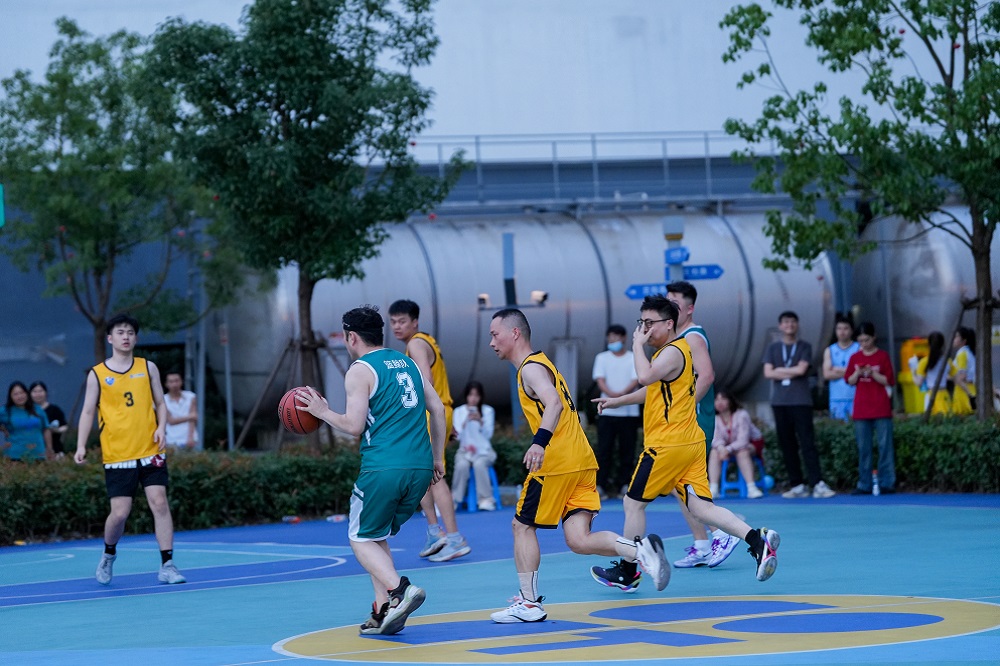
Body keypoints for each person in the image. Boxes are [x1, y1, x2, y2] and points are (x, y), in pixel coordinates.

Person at [488, 307, 669, 622]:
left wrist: (539, 442)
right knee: (578, 539)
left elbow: (554, 403)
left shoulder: (530, 368)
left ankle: (529, 604)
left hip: (556, 462)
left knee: (522, 526)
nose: (491, 342)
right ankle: (640, 552)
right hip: (582, 461)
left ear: (514, 333)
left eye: (495, 334)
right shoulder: (543, 363)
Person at [590, 295, 780, 592]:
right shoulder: (673, 353)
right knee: (701, 508)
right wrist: (618, 400)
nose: (644, 330)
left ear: (669, 323)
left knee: (632, 504)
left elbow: (644, 377)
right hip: (689, 442)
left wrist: (636, 345)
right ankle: (758, 541)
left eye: (649, 323)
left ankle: (628, 571)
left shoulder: (671, 352)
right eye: (641, 323)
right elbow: (652, 389)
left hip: (667, 445)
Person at [296, 305, 446, 636]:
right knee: (375, 535)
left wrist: (322, 411)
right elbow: (437, 410)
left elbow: (353, 425)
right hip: (420, 467)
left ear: (351, 337)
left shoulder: (360, 370)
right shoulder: (408, 362)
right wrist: (438, 459)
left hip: (384, 467)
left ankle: (401, 590)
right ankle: (383, 609)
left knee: (359, 538)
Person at [74, 314, 186, 586]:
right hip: (118, 454)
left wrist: (161, 427)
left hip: (150, 449)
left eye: (130, 333)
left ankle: (167, 564)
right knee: (120, 514)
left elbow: (161, 403)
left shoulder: (148, 368)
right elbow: (87, 411)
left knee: (159, 502)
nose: (125, 337)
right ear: (110, 338)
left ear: (135, 338)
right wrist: (80, 445)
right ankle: (109, 553)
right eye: (120, 332)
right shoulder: (97, 374)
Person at [388, 299, 470, 563]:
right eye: (393, 322)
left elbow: (426, 380)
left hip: (429, 411)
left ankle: (452, 537)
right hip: (439, 410)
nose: (397, 326)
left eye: (402, 321)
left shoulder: (415, 344)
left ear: (415, 322)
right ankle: (437, 532)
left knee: (434, 476)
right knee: (423, 474)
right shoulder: (428, 341)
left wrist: (419, 415)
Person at [665, 281, 738, 570]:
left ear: (690, 308)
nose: (670, 308)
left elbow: (706, 376)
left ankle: (720, 534)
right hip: (684, 421)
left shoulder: (693, 337)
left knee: (688, 484)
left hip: (695, 420)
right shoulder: (676, 337)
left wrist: (684, 406)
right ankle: (703, 543)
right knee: (678, 483)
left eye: (675, 303)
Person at [762, 311, 836, 499]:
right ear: (780, 326)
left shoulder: (805, 346)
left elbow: (802, 369)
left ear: (797, 325)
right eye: (786, 322)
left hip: (801, 401)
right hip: (780, 402)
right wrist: (791, 371)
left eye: (793, 322)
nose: (789, 325)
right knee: (787, 445)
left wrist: (780, 370)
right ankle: (797, 485)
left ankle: (817, 483)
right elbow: (768, 373)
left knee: (807, 443)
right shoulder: (773, 348)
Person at [845, 322, 896, 495]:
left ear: (874, 337)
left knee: (885, 446)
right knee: (863, 448)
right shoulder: (855, 357)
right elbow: (849, 380)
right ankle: (864, 483)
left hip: (881, 407)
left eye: (866, 340)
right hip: (861, 408)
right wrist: (858, 372)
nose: (864, 344)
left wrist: (873, 373)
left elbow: (888, 380)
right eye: (860, 341)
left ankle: (887, 482)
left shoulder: (882, 356)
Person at [591, 324, 640, 499]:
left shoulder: (633, 357)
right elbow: (600, 380)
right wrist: (612, 395)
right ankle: (601, 485)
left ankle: (624, 484)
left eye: (616, 337)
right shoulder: (602, 358)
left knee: (628, 450)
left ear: (624, 338)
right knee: (604, 450)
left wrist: (621, 396)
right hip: (606, 412)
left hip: (629, 412)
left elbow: (636, 379)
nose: (613, 341)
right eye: (610, 337)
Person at [450, 381, 498, 511]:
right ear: (466, 396)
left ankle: (486, 499)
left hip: (484, 451)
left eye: (477, 395)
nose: (473, 398)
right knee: (461, 465)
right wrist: (466, 421)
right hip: (465, 450)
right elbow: (457, 436)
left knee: (479, 464)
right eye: (470, 395)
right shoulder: (459, 411)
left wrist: (480, 421)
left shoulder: (488, 411)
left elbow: (488, 435)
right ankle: (454, 500)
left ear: (481, 396)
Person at [709, 389, 764, 500]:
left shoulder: (742, 415)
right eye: (717, 400)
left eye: (723, 399)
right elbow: (715, 439)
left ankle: (751, 488)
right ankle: (713, 488)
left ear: (730, 401)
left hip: (751, 443)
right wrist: (721, 448)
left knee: (742, 451)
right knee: (714, 452)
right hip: (727, 446)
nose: (719, 402)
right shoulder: (715, 418)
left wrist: (727, 449)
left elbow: (743, 440)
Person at [0, 381, 53, 461]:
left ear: (27, 393)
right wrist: (3, 429)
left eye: (22, 393)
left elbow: (46, 429)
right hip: (15, 455)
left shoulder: (37, 409)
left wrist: (49, 448)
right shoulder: (5, 411)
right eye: (15, 394)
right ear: (10, 397)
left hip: (38, 453)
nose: (20, 396)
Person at [822, 315, 859, 421]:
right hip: (836, 398)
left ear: (851, 330)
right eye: (839, 328)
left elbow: (860, 371)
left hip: (855, 397)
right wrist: (851, 371)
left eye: (845, 328)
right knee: (838, 427)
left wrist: (836, 369)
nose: (842, 332)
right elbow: (827, 374)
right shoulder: (829, 350)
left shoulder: (858, 348)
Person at [909, 331, 954, 416]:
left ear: (929, 344)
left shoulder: (924, 362)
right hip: (944, 395)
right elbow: (956, 377)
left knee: (931, 420)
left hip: (931, 396)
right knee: (946, 419)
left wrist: (913, 371)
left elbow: (919, 383)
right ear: (943, 345)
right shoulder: (948, 361)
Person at [29, 381, 68, 459]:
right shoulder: (27, 411)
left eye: (40, 391)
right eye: (35, 392)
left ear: (46, 393)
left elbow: (65, 426)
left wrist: (56, 430)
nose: (38, 394)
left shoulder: (54, 409)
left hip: (55, 449)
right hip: (33, 450)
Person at [163, 370, 198, 449]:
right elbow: (171, 420)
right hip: (171, 439)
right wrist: (190, 416)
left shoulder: (191, 396)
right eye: (171, 382)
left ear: (181, 382)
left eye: (176, 381)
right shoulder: (163, 400)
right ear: (166, 384)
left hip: (189, 439)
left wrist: (190, 437)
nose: (174, 384)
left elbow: (193, 419)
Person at [951, 327, 976, 416]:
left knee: (962, 416)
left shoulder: (961, 354)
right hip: (973, 387)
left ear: (964, 340)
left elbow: (962, 377)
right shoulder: (971, 352)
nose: (954, 339)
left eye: (956, 336)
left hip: (963, 391)